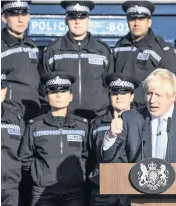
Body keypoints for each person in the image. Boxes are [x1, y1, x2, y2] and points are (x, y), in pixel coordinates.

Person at [101, 68, 176, 206]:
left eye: (158, 95)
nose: (152, 100)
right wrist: (110, 135)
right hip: (138, 200)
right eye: (149, 94)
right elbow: (108, 159)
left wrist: (167, 173)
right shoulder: (130, 118)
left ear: (172, 97)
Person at [18, 71, 89, 206]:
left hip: (74, 194)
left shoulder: (82, 125)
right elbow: (25, 159)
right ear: (46, 96)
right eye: (53, 91)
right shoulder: (35, 126)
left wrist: (79, 176)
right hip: (42, 194)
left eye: (63, 91)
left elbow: (87, 156)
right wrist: (39, 176)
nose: (58, 95)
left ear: (70, 96)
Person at [42, 0, 113, 120]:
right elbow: (43, 88)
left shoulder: (103, 50)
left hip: (97, 118)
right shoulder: (53, 50)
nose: (77, 21)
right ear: (66, 20)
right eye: (72, 17)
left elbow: (110, 85)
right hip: (64, 120)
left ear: (88, 20)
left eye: (82, 17)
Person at [113, 1, 176, 108]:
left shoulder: (161, 49)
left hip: (148, 109)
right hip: (123, 108)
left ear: (149, 22)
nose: (136, 23)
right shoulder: (119, 46)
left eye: (141, 19)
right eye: (132, 19)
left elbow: (171, 84)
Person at [88, 73, 139, 206]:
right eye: (114, 93)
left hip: (131, 187)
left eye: (124, 93)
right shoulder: (97, 123)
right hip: (103, 188)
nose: (118, 96)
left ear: (132, 96)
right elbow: (90, 156)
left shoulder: (142, 122)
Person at [1, 0, 40, 122]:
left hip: (33, 115)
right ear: (4, 18)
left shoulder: (32, 46)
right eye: (14, 15)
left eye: (24, 14)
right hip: (8, 117)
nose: (20, 19)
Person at [1, 68, 25, 206]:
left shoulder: (16, 119)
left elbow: (23, 154)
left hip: (10, 188)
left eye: (1, 86)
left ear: (5, 90)